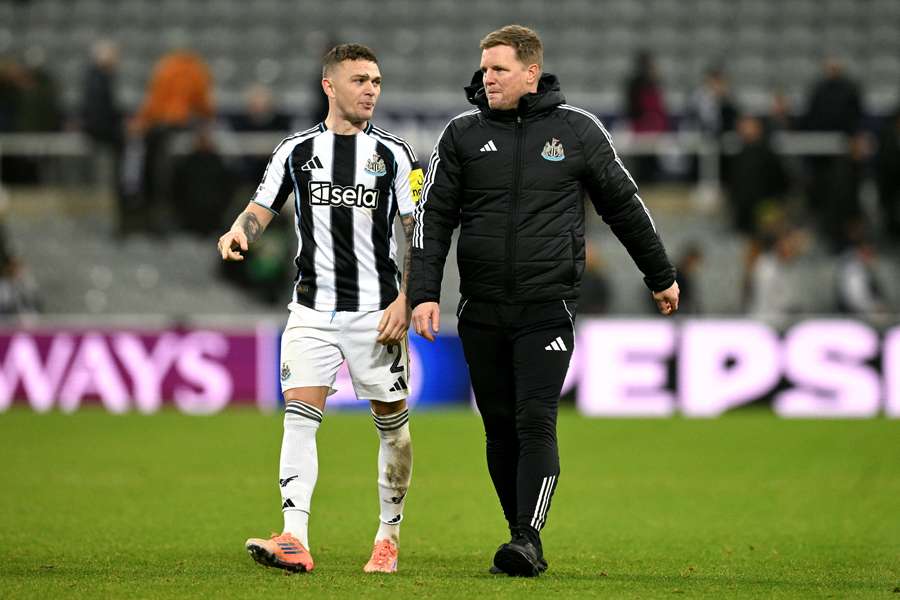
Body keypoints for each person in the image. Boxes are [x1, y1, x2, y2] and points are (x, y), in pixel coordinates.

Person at [409, 25, 679, 577]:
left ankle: (528, 538)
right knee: (499, 429)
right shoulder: (460, 135)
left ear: (531, 72)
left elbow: (624, 206)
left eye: (499, 69)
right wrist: (423, 293)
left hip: (546, 308)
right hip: (480, 310)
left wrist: (660, 274)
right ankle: (519, 537)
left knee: (536, 422)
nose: (488, 79)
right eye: (484, 69)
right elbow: (433, 219)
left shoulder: (577, 131)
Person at [218, 44, 423, 575]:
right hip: (310, 311)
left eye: (376, 80)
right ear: (329, 86)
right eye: (359, 80)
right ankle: (294, 535)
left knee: (393, 430)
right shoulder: (296, 150)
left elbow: (417, 234)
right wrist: (239, 230)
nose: (371, 89)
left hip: (378, 314)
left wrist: (406, 298)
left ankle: (388, 536)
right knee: (299, 420)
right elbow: (261, 208)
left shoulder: (396, 155)